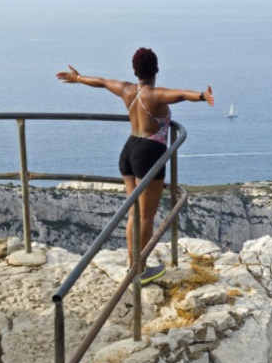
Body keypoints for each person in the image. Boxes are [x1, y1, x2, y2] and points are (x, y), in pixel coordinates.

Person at [57, 48, 213, 284]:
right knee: (146, 216)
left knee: (134, 212)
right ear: (157, 70)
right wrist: (203, 95)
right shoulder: (156, 94)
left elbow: (101, 82)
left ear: (134, 70)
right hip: (149, 153)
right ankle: (139, 270)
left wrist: (78, 78)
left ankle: (133, 265)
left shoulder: (127, 89)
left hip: (129, 150)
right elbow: (180, 94)